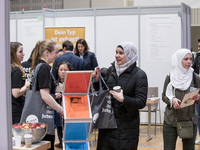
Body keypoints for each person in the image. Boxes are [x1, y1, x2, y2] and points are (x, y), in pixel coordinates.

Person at [93, 42, 148, 150]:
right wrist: (97, 81)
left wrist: (123, 99)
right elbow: (104, 93)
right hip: (107, 124)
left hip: (126, 129)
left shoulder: (139, 75)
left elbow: (141, 102)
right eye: (116, 52)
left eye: (121, 53)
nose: (117, 55)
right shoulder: (111, 70)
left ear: (130, 55)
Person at [162, 49, 200, 150]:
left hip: (189, 120)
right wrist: (172, 100)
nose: (189, 62)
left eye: (191, 59)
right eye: (186, 59)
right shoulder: (170, 77)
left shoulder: (195, 77)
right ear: (178, 60)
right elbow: (164, 96)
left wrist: (197, 98)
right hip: (171, 120)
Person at [30, 40, 64, 150]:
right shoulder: (44, 68)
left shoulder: (38, 67)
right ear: (47, 53)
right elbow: (44, 95)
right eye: (55, 52)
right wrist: (60, 109)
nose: (57, 55)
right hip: (43, 120)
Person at [11, 42, 30, 124]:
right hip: (16, 110)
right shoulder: (16, 70)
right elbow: (16, 93)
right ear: (13, 54)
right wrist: (26, 85)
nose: (23, 54)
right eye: (20, 52)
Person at [54, 61, 72, 149]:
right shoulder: (55, 83)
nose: (63, 72)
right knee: (59, 126)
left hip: (69, 109)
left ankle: (67, 143)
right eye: (61, 70)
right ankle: (61, 142)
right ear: (58, 71)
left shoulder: (72, 84)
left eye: (65, 70)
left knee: (68, 127)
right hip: (58, 109)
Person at [192, 38, 200, 144]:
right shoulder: (197, 57)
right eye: (198, 46)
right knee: (198, 114)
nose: (199, 49)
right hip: (198, 89)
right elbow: (192, 70)